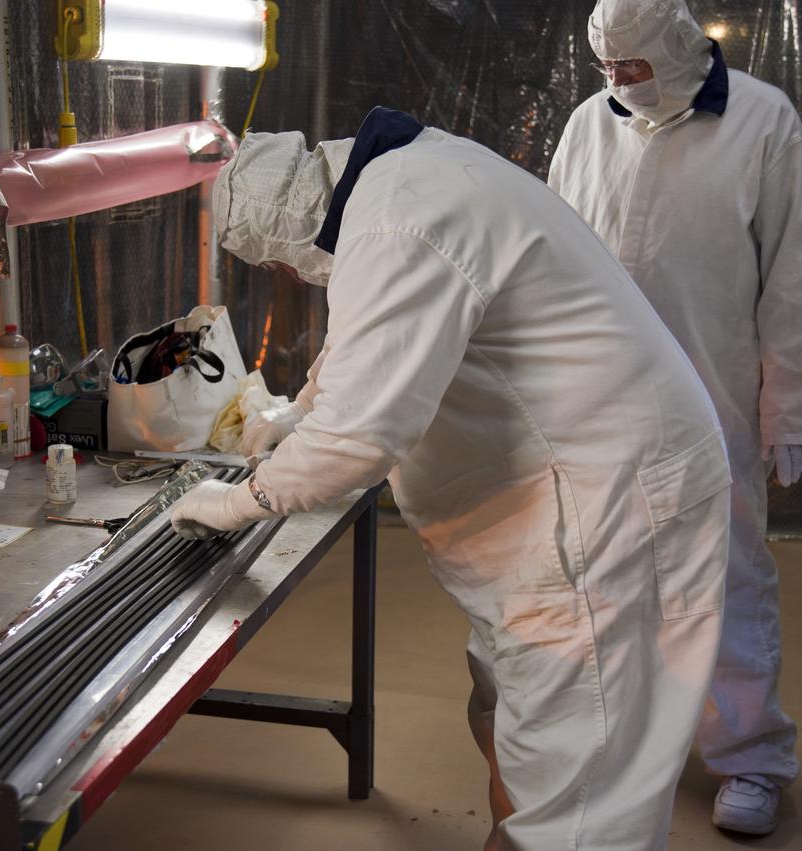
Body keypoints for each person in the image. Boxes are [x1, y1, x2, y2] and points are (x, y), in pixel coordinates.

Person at [169, 105, 732, 849]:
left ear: (288, 230)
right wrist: (297, 413)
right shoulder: (403, 178)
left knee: (578, 788)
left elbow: (355, 441)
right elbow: (370, 340)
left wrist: (239, 500)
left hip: (602, 516)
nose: (287, 275)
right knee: (511, 720)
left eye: (276, 264)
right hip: (576, 495)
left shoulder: (396, 223)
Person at [546, 0, 802, 835]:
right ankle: (624, 745)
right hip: (600, 399)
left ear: (675, 45)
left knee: (726, 572)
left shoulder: (762, 122)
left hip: (713, 396)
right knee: (604, 574)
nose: (619, 82)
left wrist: (791, 407)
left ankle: (750, 753)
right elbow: (550, 256)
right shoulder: (588, 125)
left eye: (632, 66)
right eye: (607, 68)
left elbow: (792, 277)